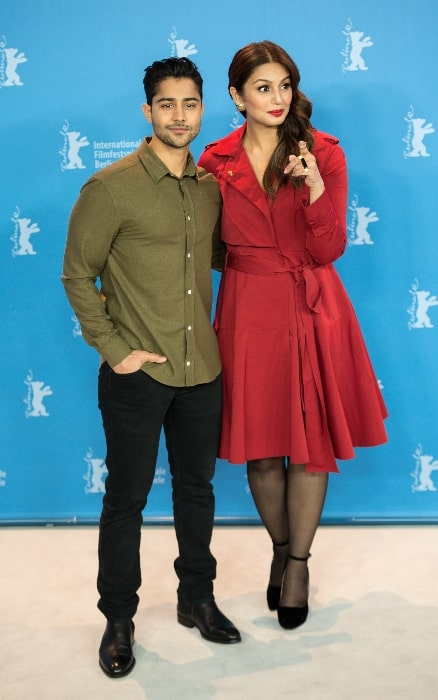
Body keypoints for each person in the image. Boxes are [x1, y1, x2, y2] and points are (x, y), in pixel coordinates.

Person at [198, 41, 388, 631]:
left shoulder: (323, 152)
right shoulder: (214, 162)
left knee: (309, 446)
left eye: (285, 85)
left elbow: (330, 248)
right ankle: (280, 547)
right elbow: (208, 250)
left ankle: (297, 564)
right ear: (236, 97)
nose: (277, 99)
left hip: (312, 306)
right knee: (261, 449)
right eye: (262, 88)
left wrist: (312, 191)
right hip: (249, 306)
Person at [62, 56, 241, 679]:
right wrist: (117, 351)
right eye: (167, 104)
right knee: (127, 499)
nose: (179, 115)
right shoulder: (110, 187)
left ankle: (196, 598)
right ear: (147, 111)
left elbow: (227, 259)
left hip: (203, 372)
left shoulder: (210, 186)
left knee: (198, 491)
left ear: (202, 108)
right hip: (138, 375)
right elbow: (76, 275)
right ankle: (118, 619)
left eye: (190, 104)